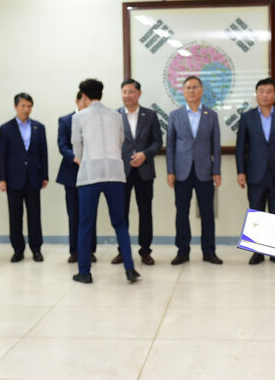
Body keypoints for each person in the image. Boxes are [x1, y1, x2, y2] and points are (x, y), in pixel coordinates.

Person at [71, 79, 139, 284]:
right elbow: (120, 142)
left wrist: (88, 159)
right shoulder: (116, 116)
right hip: (115, 174)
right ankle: (129, 269)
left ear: (83, 96)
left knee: (85, 224)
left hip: (90, 174)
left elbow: (77, 148)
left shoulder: (79, 117)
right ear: (101, 93)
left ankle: (85, 272)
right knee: (120, 223)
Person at [235, 77, 275, 265]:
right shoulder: (247, 117)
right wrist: (241, 172)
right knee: (256, 214)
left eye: (269, 91)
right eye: (261, 91)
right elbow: (240, 148)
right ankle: (257, 252)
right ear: (256, 94)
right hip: (254, 173)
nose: (265, 95)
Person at [167, 75, 222, 265]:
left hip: (205, 171)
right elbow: (171, 146)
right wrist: (170, 171)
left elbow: (216, 146)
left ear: (202, 90)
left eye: (195, 87)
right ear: (183, 91)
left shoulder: (211, 115)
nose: (192, 91)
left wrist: (217, 171)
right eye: (188, 87)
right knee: (181, 212)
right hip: (181, 172)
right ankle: (182, 251)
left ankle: (209, 251)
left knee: (207, 213)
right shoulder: (175, 115)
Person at [112, 78, 162, 266]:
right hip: (121, 172)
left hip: (144, 170)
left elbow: (158, 142)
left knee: (145, 212)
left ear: (139, 93)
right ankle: (122, 251)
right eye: (124, 92)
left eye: (131, 92)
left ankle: (145, 251)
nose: (127, 95)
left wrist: (145, 154)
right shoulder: (115, 115)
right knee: (121, 213)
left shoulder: (150, 115)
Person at [0, 93, 49, 263]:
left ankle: (36, 249)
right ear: (16, 106)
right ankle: (18, 250)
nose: (26, 109)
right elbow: (2, 155)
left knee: (35, 215)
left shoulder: (38, 127)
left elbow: (44, 153)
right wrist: (2, 178)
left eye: (29, 106)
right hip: (13, 179)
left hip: (34, 177)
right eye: (23, 106)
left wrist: (45, 175)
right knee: (15, 216)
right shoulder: (6, 128)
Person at [56, 91, 96, 264]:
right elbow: (62, 145)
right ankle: (74, 251)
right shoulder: (65, 120)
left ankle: (90, 250)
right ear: (78, 101)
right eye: (84, 102)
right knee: (74, 215)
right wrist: (75, 157)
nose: (86, 105)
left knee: (89, 214)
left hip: (91, 173)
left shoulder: (93, 120)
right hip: (71, 172)